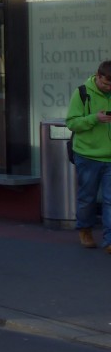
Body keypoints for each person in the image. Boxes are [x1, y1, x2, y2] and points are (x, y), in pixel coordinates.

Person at [66, 62, 111, 252]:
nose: (109, 88)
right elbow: (71, 123)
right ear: (98, 76)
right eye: (107, 84)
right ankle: (85, 229)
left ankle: (109, 241)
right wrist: (94, 118)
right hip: (88, 155)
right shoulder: (82, 92)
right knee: (87, 198)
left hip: (110, 158)